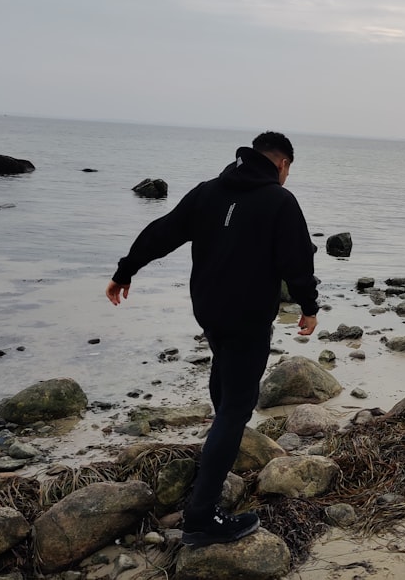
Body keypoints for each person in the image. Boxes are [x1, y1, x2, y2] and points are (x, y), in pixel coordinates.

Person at [105, 131, 319, 548]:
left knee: (225, 380)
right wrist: (309, 307)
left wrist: (125, 270)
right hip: (248, 319)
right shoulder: (279, 200)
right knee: (237, 409)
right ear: (281, 164)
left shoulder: (208, 192)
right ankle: (201, 516)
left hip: (210, 312)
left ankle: (217, 457)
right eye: (288, 169)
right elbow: (297, 259)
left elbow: (161, 232)